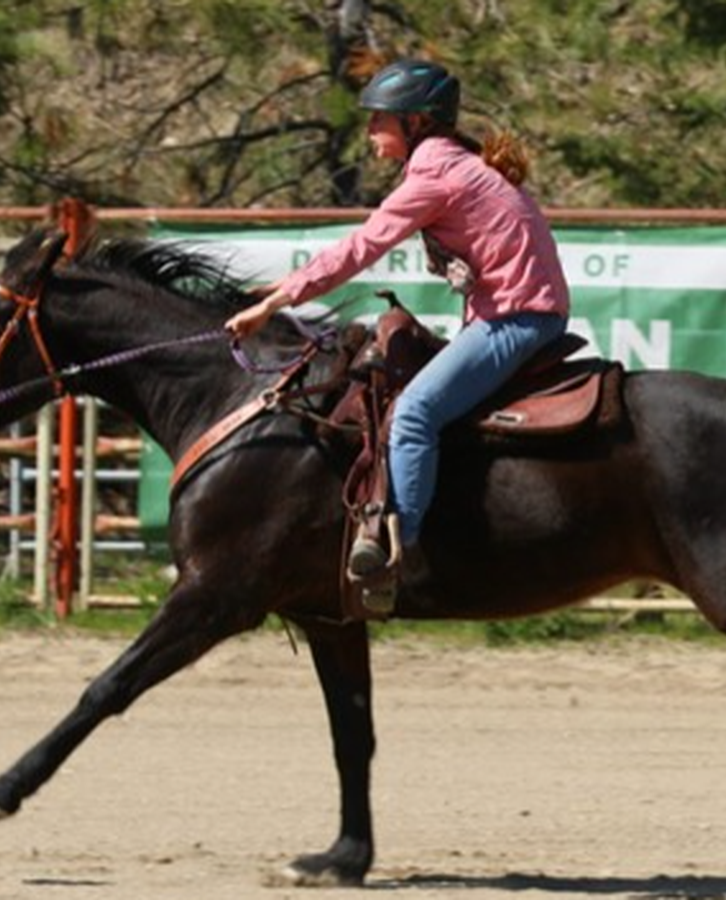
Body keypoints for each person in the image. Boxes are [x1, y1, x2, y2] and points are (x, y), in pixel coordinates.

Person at [225, 58, 570, 581]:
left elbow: (361, 246)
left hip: (517, 319)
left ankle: (396, 556)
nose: (369, 130)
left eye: (379, 118)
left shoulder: (435, 178)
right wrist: (280, 291)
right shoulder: (456, 165)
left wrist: (276, 304)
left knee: (412, 413)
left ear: (416, 122)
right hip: (519, 314)